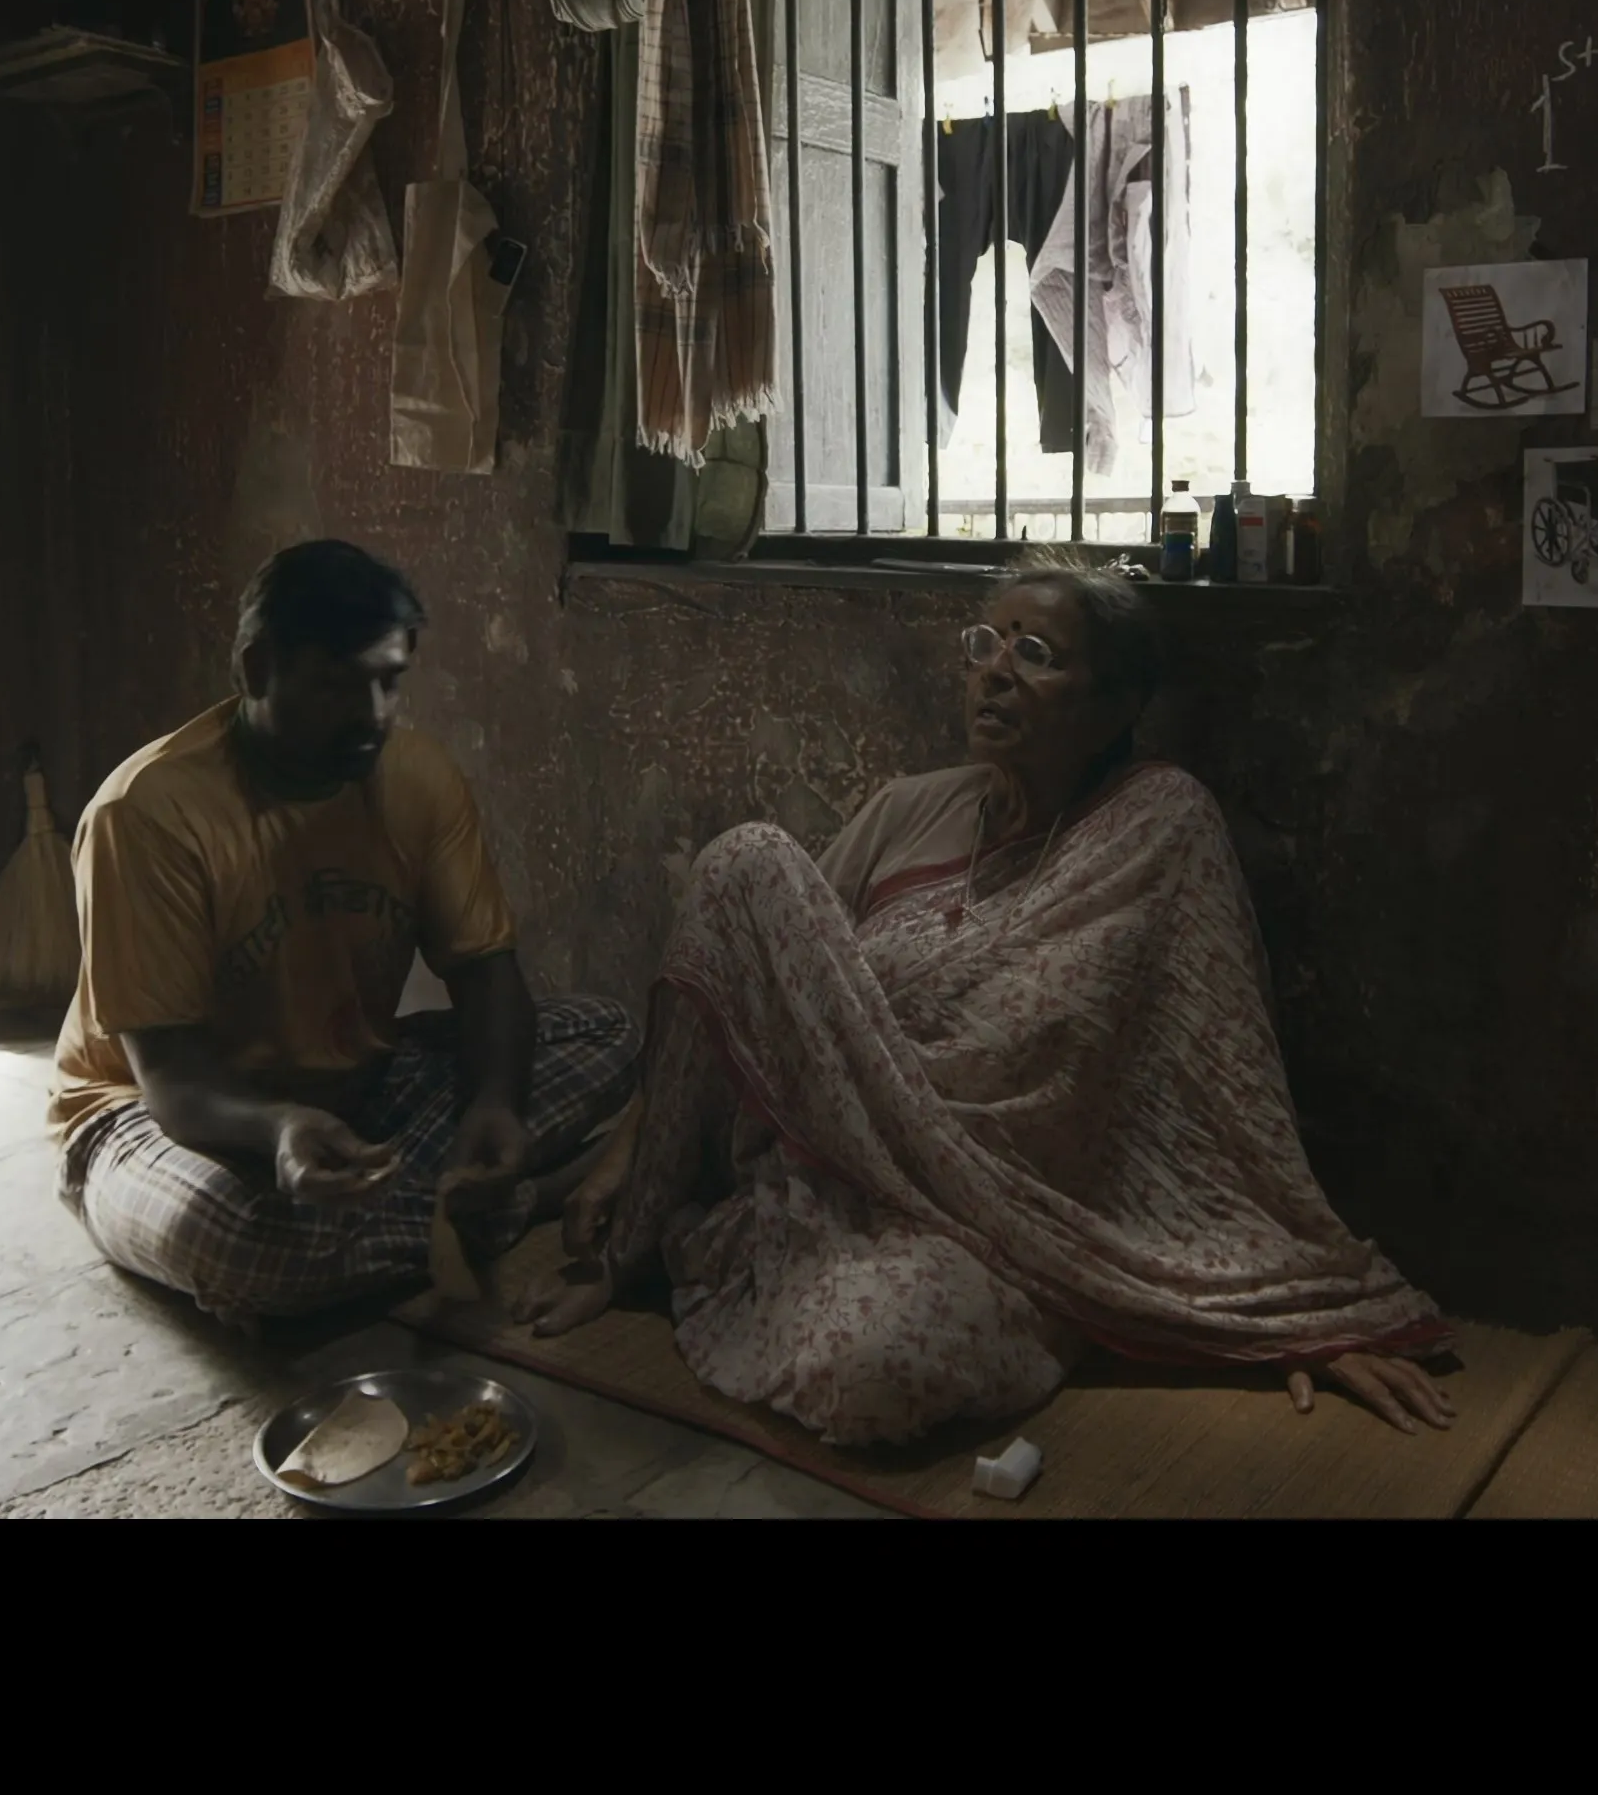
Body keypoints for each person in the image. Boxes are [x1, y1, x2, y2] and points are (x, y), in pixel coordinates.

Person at [524, 554, 1460, 1444]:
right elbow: (747, 971)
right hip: (832, 1170)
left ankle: (1018, 1298)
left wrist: (1279, 1315)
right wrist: (628, 1157)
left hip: (1008, 1221)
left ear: (1115, 706)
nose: (996, 672)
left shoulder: (1159, 825)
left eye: (1037, 653)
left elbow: (1222, 1089)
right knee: (747, 861)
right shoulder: (909, 809)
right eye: (986, 644)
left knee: (877, 1369)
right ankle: (632, 1250)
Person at [54, 540, 634, 1321]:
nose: (374, 716)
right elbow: (173, 1082)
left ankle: (410, 1212)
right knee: (250, 1250)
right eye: (337, 686)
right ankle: (521, 1200)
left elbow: (488, 977)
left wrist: (495, 1103)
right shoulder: (148, 815)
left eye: (389, 682)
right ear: (257, 670)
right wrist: (278, 1128)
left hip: (358, 1088)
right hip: (155, 1119)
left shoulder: (418, 780)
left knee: (608, 1031)